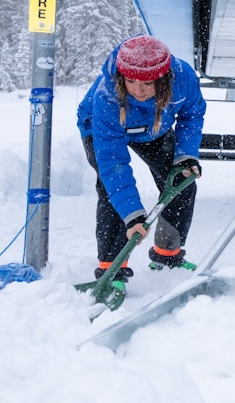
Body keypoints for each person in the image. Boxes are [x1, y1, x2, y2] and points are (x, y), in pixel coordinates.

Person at [77, 35, 207, 284]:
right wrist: (133, 216)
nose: (138, 90)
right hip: (104, 129)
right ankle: (111, 268)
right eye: (131, 81)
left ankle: (167, 255)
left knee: (180, 181)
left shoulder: (184, 79)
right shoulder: (107, 98)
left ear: (165, 79)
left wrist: (185, 155)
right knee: (110, 190)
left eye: (148, 83)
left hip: (154, 129)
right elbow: (114, 163)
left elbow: (192, 115)